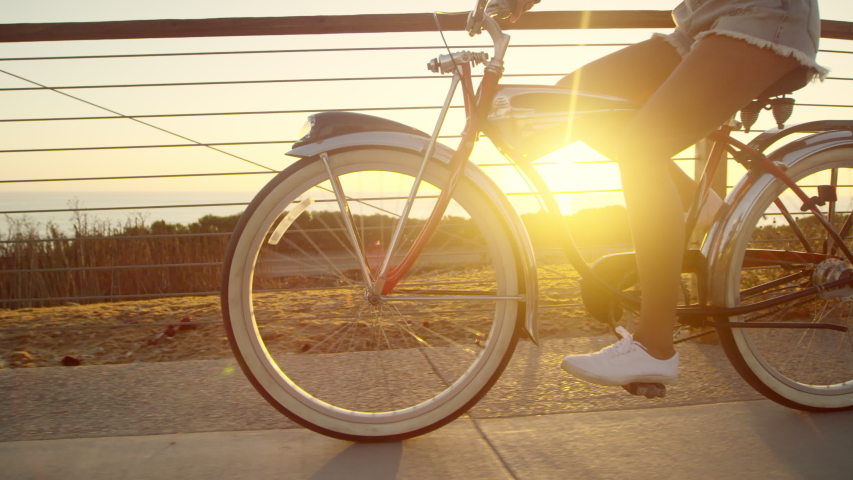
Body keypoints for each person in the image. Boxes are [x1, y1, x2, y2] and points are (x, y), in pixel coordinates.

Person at [487, 0, 826, 387]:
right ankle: (706, 213)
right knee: (573, 101)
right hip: (702, 22)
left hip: (762, 16)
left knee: (640, 149)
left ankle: (655, 346)